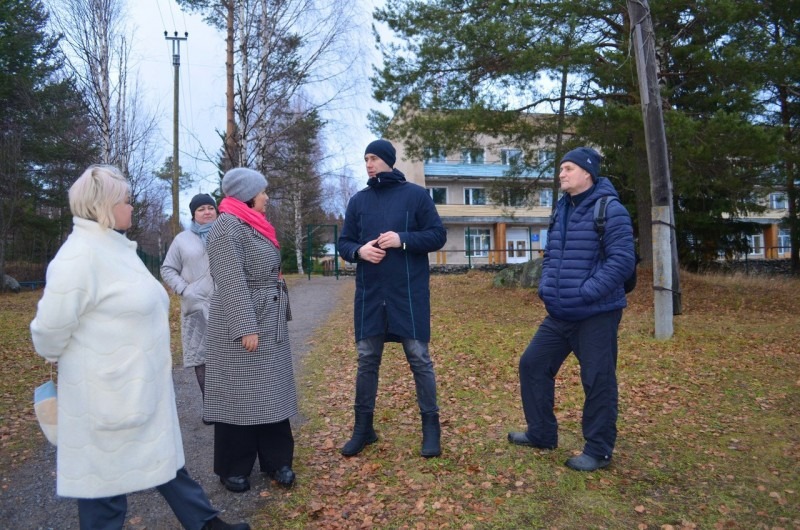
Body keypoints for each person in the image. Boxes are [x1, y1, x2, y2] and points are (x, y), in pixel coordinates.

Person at [29, 165, 249, 530]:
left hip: (136, 388)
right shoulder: (79, 256)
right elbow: (48, 332)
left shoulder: (115, 247)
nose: (133, 207)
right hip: (105, 396)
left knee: (164, 461)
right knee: (104, 494)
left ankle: (207, 524)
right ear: (103, 206)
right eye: (127, 201)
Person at [507, 147, 636, 472]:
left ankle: (598, 450)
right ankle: (542, 433)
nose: (561, 174)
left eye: (567, 168)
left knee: (598, 379)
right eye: (561, 169)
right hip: (560, 312)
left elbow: (622, 261)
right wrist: (547, 288)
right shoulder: (562, 209)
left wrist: (586, 292)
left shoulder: (611, 209)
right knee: (533, 364)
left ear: (587, 172)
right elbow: (551, 255)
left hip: (597, 313)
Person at [338, 139, 447, 458]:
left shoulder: (415, 196)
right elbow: (344, 243)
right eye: (365, 159)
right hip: (371, 295)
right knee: (367, 360)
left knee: (419, 359)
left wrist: (403, 239)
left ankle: (431, 427)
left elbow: (437, 235)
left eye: (373, 158)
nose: (368, 164)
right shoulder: (359, 201)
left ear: (388, 160)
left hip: (408, 295)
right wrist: (359, 251)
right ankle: (363, 428)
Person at [204, 167, 298, 493]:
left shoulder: (253, 224)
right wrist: (245, 326)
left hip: (267, 316)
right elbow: (230, 281)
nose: (267, 197)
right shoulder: (226, 228)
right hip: (241, 321)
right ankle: (234, 467)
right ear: (247, 194)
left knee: (271, 392)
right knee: (239, 397)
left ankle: (277, 461)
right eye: (262, 192)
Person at [161, 193, 218, 404]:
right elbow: (167, 269)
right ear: (194, 214)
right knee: (201, 356)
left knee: (227, 354)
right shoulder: (182, 240)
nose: (207, 212)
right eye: (201, 209)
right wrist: (185, 290)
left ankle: (229, 405)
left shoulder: (226, 234)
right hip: (196, 305)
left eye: (210, 208)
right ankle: (210, 405)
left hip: (224, 303)